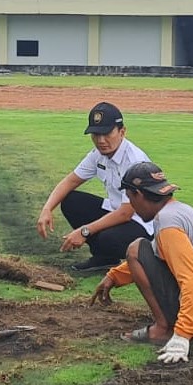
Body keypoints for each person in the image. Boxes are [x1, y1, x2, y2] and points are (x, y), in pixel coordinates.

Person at [90, 161, 193, 364]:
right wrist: (114, 276)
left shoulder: (167, 221)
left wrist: (182, 335)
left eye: (130, 198)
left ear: (138, 195)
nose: (131, 206)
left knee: (134, 248)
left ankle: (162, 329)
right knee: (140, 249)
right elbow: (155, 253)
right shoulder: (180, 211)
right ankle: (174, 325)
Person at [36, 102, 152, 272]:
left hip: (143, 225)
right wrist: (47, 209)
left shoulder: (134, 161)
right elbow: (71, 181)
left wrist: (84, 231)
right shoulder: (98, 155)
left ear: (122, 132)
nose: (101, 140)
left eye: (106, 133)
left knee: (107, 238)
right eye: (96, 134)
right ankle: (103, 258)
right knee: (71, 201)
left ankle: (137, 255)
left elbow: (126, 213)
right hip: (116, 212)